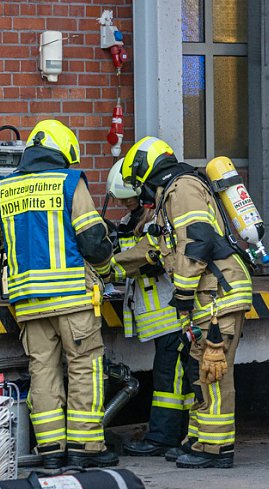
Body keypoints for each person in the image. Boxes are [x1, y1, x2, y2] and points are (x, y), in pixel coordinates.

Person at [0, 119, 117, 469]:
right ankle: (84, 449)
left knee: (43, 371)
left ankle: (50, 451)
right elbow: (94, 241)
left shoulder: (5, 187)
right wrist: (109, 270)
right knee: (84, 368)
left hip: (28, 304)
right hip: (71, 299)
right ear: (63, 152)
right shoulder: (69, 182)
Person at [121, 136, 254, 469]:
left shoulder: (182, 188)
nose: (142, 194)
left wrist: (181, 293)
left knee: (214, 372)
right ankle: (197, 440)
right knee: (200, 369)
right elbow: (153, 245)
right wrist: (111, 265)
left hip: (217, 295)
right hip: (208, 296)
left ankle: (216, 448)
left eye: (139, 185)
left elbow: (197, 241)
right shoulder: (174, 194)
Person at [106, 159, 194, 456]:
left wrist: (108, 267)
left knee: (170, 380)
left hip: (172, 314)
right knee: (172, 377)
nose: (125, 206)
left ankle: (163, 437)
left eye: (128, 200)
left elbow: (146, 256)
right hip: (166, 316)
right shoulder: (142, 219)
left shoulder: (158, 220)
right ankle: (178, 434)